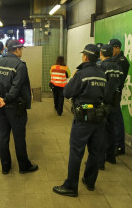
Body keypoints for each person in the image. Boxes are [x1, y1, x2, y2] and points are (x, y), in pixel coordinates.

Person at [53, 44, 106, 197]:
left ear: (85, 57)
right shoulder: (102, 74)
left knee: (76, 152)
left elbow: (67, 92)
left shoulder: (82, 73)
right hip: (99, 119)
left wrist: (74, 78)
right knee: (95, 152)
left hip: (83, 120)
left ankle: (70, 186)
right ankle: (90, 182)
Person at [0, 40, 38, 174]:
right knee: (19, 137)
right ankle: (24, 166)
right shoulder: (20, 65)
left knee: (4, 136)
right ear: (17, 50)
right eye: (21, 49)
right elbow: (16, 88)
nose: (22, 51)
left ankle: (5, 166)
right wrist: (5, 99)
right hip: (16, 107)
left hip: (1, 107)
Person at [98, 44, 123, 170]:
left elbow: (102, 85)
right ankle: (111, 157)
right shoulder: (117, 66)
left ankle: (100, 162)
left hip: (105, 103)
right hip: (115, 102)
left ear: (101, 53)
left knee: (101, 132)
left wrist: (101, 101)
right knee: (111, 131)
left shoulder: (103, 66)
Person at [109, 39, 130, 156]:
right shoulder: (114, 60)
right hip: (111, 92)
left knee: (117, 118)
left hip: (116, 93)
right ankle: (114, 143)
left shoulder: (122, 61)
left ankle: (119, 145)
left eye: (112, 48)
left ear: (117, 48)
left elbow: (118, 79)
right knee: (113, 118)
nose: (111, 51)